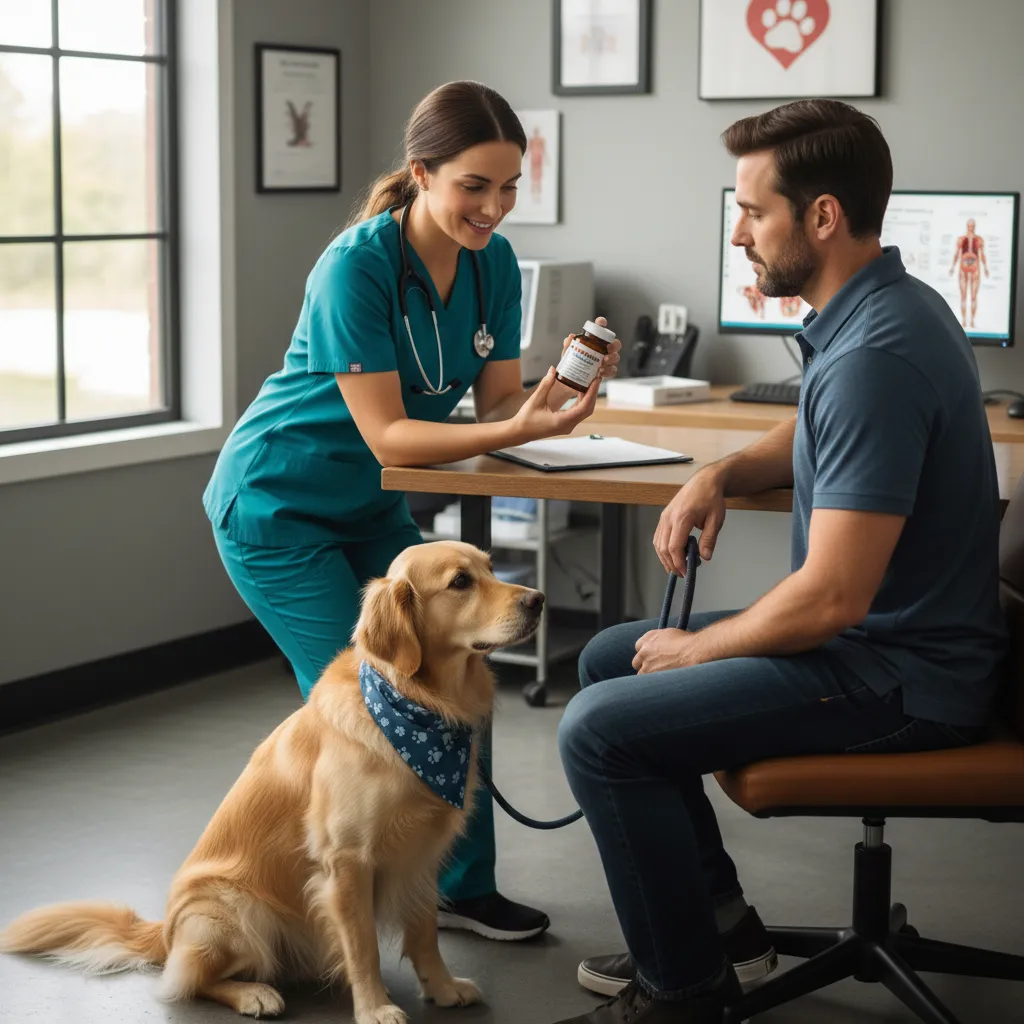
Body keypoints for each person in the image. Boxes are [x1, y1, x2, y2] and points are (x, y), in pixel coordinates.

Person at [554, 99, 1008, 1023]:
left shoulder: (876, 356)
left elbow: (832, 597)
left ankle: (681, 993)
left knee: (600, 727)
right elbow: (813, 426)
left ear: (823, 217)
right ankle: (725, 936)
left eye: (753, 211)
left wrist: (699, 653)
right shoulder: (888, 307)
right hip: (899, 645)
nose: (738, 234)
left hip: (900, 678)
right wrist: (719, 471)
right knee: (609, 657)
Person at [202, 80, 620, 943]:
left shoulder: (493, 265)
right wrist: (510, 423)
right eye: (476, 186)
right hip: (278, 504)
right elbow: (391, 434)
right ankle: (328, 893)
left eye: (510, 188)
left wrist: (547, 407)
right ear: (422, 173)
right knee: (375, 708)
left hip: (367, 507)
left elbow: (499, 403)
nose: (495, 209)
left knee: (460, 672)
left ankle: (463, 890)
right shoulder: (356, 264)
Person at [949, 217, 989, 328]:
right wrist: (952, 266)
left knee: (973, 296)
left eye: (972, 226)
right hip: (963, 267)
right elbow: (957, 253)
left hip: (975, 267)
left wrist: (985, 267)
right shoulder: (961, 239)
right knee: (963, 295)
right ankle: (963, 321)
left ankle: (971, 321)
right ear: (967, 226)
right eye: (969, 226)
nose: (971, 228)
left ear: (974, 227)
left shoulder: (979, 240)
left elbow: (982, 254)